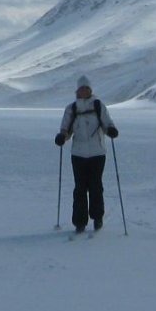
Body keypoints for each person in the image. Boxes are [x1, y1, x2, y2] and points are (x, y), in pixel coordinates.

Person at [54, 75, 119, 234]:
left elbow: (107, 123)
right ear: (77, 91)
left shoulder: (98, 106)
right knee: (80, 188)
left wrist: (111, 130)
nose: (83, 91)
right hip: (78, 154)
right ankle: (79, 222)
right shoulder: (72, 108)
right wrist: (62, 136)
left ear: (90, 90)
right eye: (81, 89)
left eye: (86, 89)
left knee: (96, 186)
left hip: (97, 153)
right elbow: (66, 128)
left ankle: (97, 217)